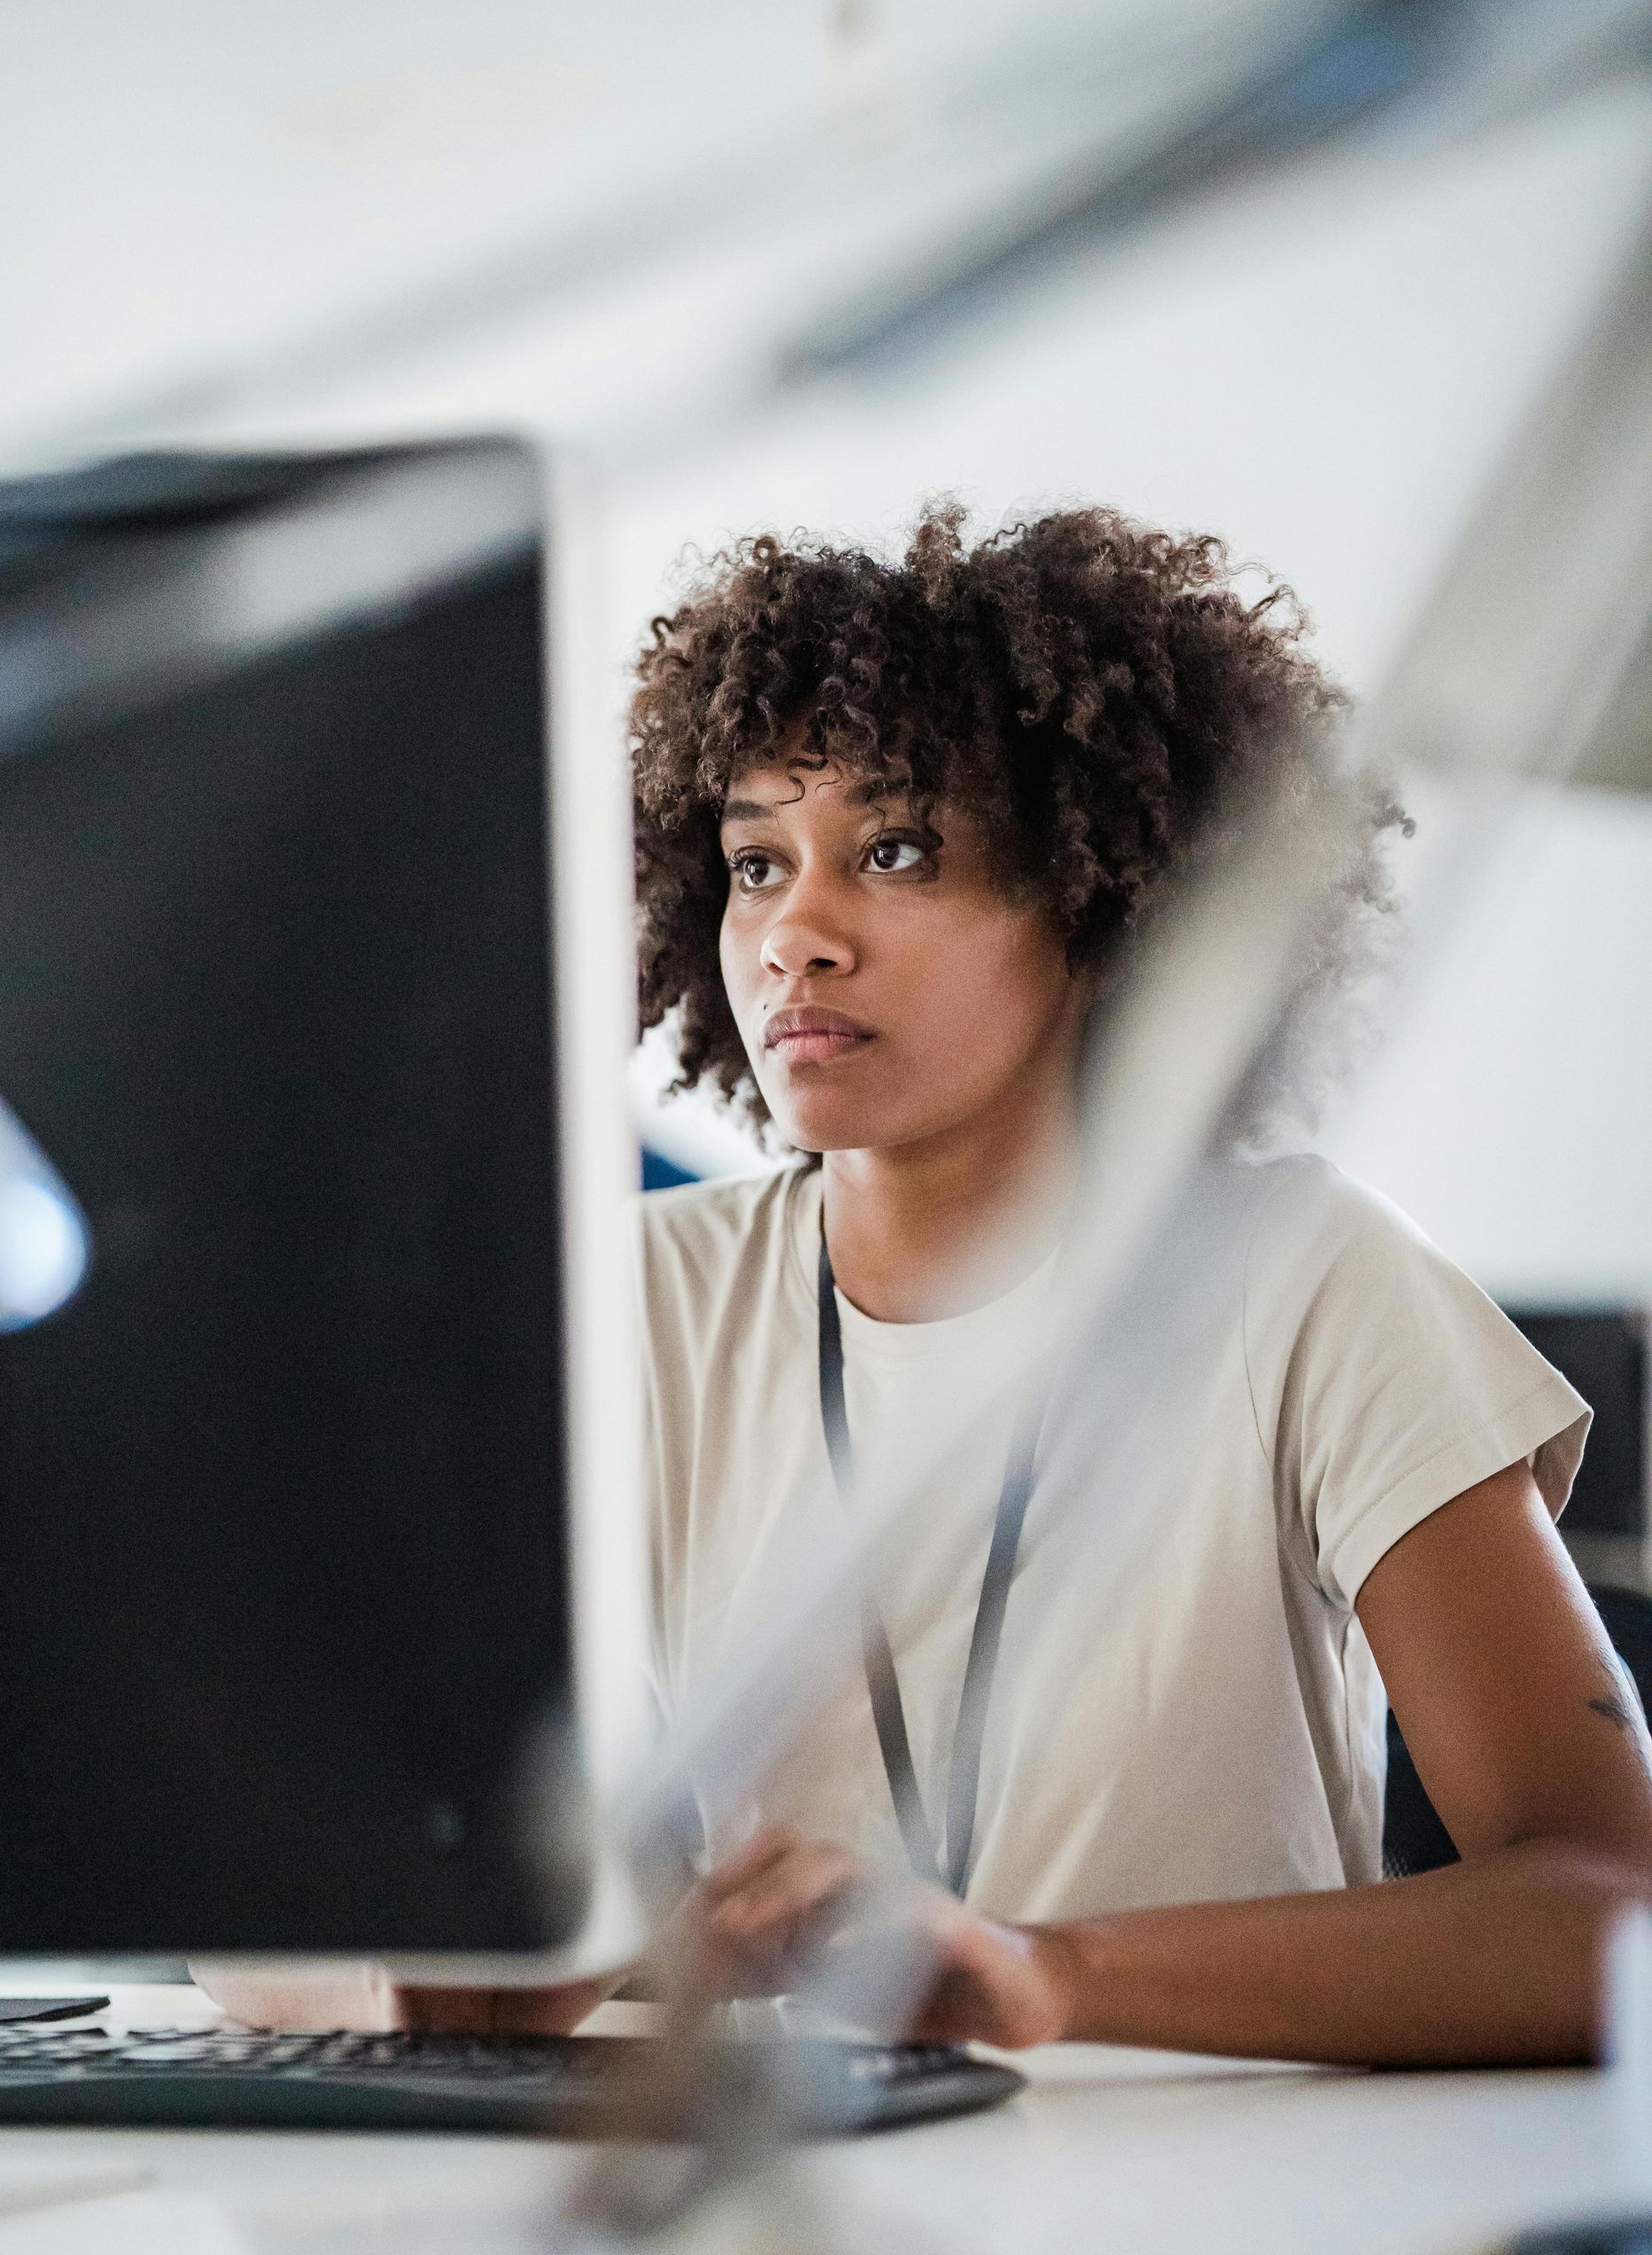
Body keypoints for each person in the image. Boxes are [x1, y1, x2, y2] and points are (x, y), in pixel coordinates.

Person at [206, 505, 1652, 2062]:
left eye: (895, 852)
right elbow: (250, 1897)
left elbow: (1606, 1905)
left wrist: (1035, 1973)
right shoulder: (626, 1307)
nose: (796, 937)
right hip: (782, 2216)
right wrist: (421, 1979)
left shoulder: (1304, 1281)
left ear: (1109, 901)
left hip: (1228, 2191)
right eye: (756, 864)